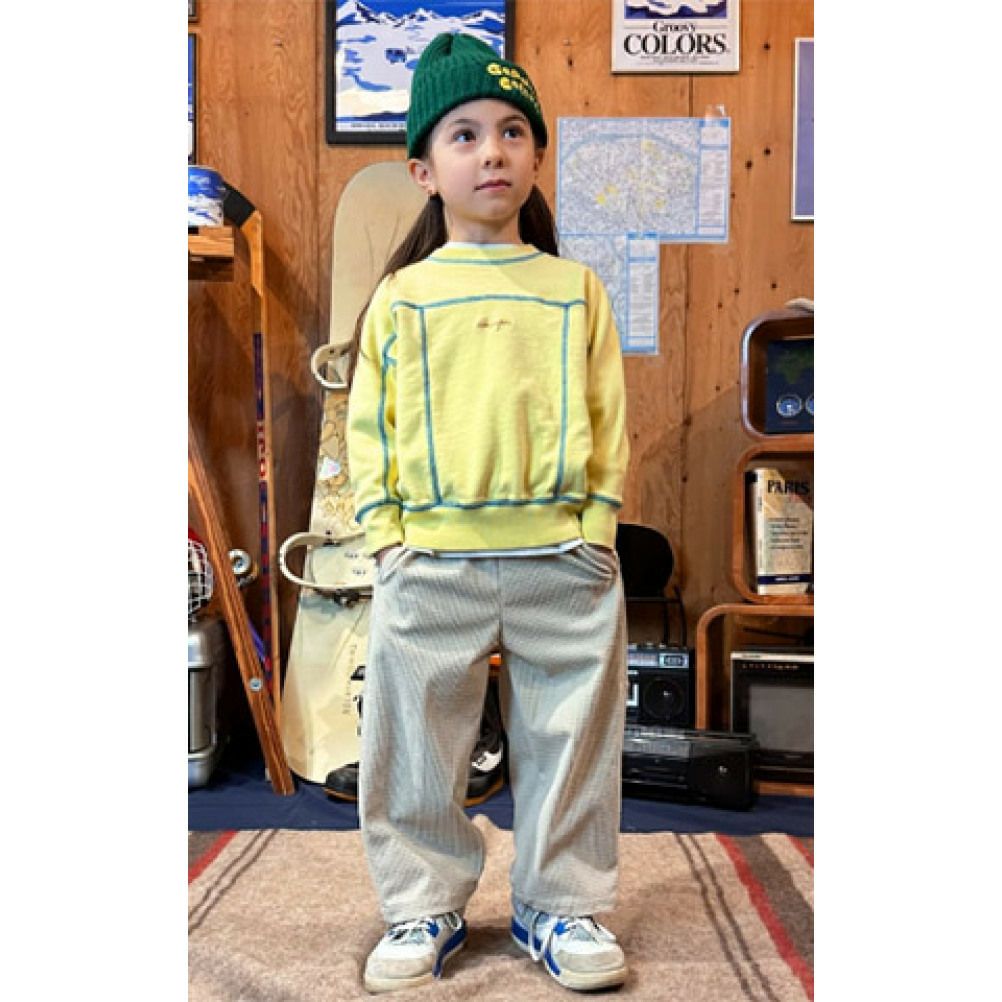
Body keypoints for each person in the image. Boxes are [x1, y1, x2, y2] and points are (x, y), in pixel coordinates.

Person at [346, 31, 629, 995]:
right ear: (425, 170)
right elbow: (369, 425)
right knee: (413, 744)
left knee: (573, 739)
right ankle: (421, 903)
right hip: (430, 562)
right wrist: (386, 537)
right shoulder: (403, 297)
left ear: (536, 156)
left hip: (563, 559)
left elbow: (607, 414)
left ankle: (560, 904)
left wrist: (597, 526)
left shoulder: (575, 289)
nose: (493, 151)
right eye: (464, 134)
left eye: (513, 131)